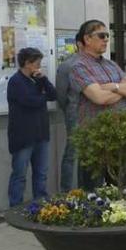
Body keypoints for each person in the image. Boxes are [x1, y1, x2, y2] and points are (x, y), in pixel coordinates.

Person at [70, 20, 126, 188]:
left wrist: (114, 87)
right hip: (94, 138)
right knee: (92, 190)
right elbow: (99, 98)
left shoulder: (111, 64)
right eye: (102, 35)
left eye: (108, 36)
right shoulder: (79, 66)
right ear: (87, 39)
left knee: (119, 188)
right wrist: (122, 91)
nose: (106, 39)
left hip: (118, 135)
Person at [7, 47, 57, 207]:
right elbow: (31, 102)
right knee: (20, 174)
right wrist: (42, 96)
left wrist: (43, 80)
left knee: (41, 173)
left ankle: (40, 203)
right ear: (27, 63)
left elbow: (53, 95)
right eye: (37, 63)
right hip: (23, 136)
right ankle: (15, 206)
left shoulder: (37, 79)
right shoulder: (16, 81)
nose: (39, 66)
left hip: (41, 134)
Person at [55, 35, 81, 192]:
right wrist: (71, 109)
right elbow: (61, 95)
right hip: (75, 114)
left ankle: (89, 190)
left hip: (94, 114)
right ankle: (66, 191)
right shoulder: (68, 65)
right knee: (72, 153)